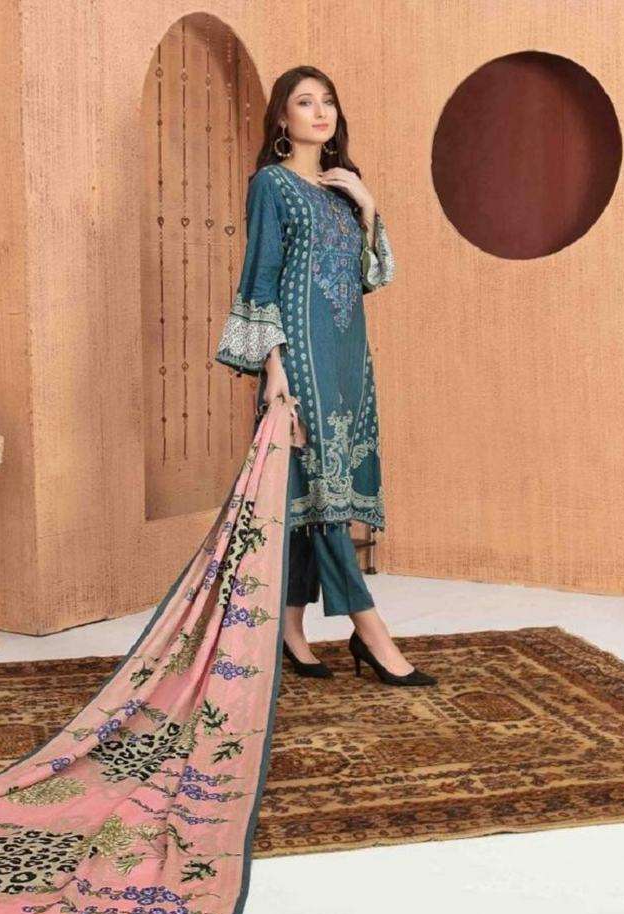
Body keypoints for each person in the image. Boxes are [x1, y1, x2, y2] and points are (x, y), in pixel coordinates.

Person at [215, 66, 435, 687]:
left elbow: (372, 276)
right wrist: (273, 370)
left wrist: (367, 206)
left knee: (310, 495)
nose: (320, 112)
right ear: (282, 119)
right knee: (324, 490)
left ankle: (289, 628)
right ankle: (371, 632)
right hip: (301, 357)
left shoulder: (343, 189)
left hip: (347, 358)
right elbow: (260, 278)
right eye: (305, 102)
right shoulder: (272, 185)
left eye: (328, 101)